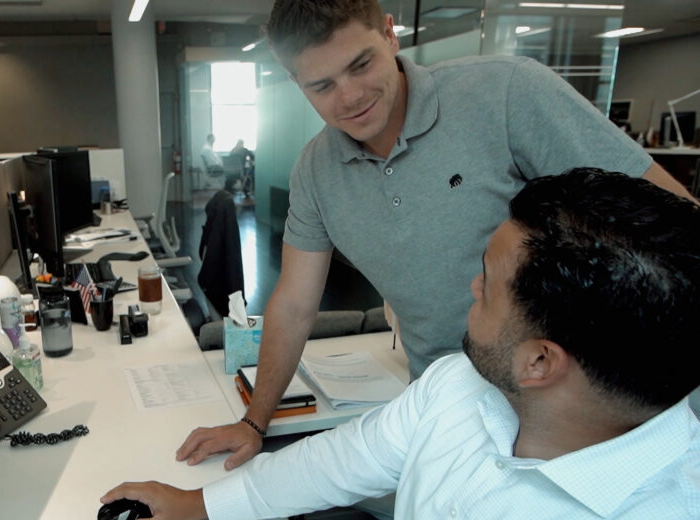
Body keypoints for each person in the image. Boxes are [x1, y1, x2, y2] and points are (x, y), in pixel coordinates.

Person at [176, 0, 693, 474]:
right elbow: (293, 305)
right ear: (296, 81)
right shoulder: (315, 172)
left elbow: (674, 228)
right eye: (322, 85)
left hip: (578, 414)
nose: (350, 97)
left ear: (389, 34)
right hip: (447, 409)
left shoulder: (506, 93)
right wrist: (254, 422)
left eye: (361, 65)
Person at [104, 168, 700, 520]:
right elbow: (336, 462)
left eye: (489, 284)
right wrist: (198, 503)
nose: (472, 286)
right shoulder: (459, 384)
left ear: (539, 362)